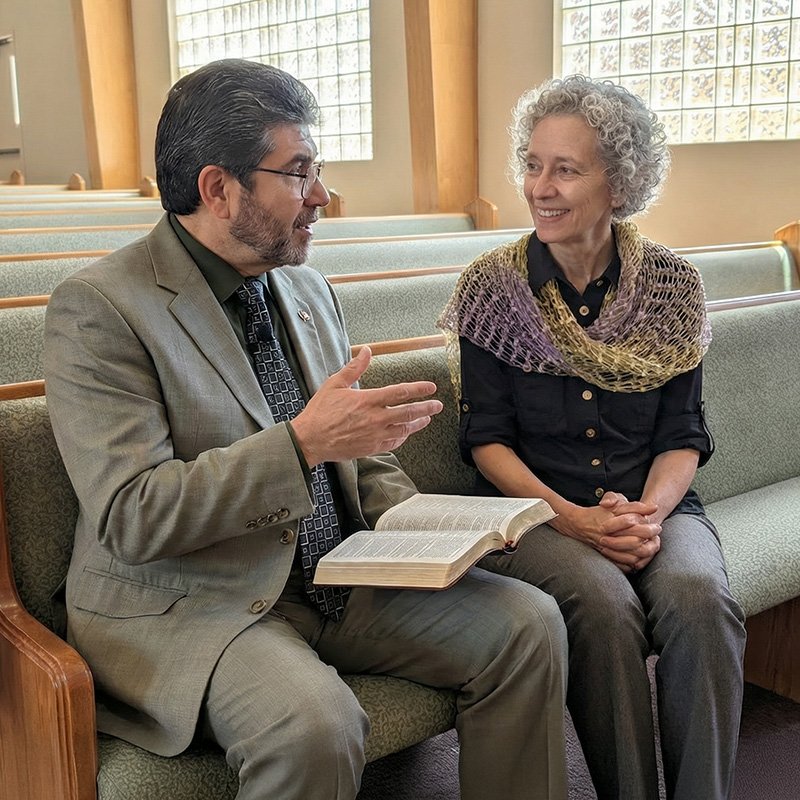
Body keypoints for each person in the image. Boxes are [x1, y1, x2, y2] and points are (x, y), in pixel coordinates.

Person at [43, 59, 569, 800]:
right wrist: (302, 445)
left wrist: (439, 522)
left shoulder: (305, 283)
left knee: (528, 623)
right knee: (313, 725)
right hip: (195, 598)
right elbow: (134, 514)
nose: (322, 196)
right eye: (298, 173)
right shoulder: (101, 309)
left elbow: (354, 459)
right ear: (218, 189)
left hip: (335, 571)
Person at [439, 74, 746, 800]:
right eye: (533, 164)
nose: (541, 187)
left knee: (701, 597)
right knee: (602, 607)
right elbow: (487, 441)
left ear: (620, 181)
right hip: (536, 517)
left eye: (566, 169)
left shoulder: (674, 286)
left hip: (656, 507)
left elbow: (683, 431)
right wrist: (576, 519)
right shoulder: (491, 291)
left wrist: (648, 514)